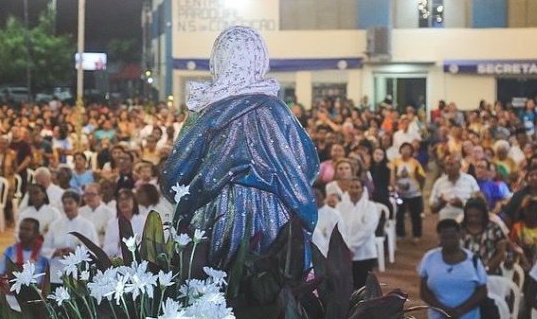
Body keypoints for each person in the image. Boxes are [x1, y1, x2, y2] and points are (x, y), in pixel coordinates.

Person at [161, 26, 319, 267]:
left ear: (218, 60)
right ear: (259, 60)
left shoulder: (205, 113)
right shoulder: (275, 110)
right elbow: (307, 165)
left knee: (213, 295)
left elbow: (175, 175)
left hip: (214, 216)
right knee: (271, 290)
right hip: (275, 217)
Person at [418, 219, 489, 319]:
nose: (449, 240)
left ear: (460, 235)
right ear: (439, 238)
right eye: (445, 237)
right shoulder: (429, 258)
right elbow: (424, 291)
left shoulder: (473, 260)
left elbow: (482, 291)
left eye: (453, 236)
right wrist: (443, 310)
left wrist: (460, 311)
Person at [0, 217, 49, 315]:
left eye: (27, 229)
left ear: (37, 234)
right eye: (21, 229)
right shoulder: (10, 250)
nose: (23, 232)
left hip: (31, 297)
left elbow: (43, 284)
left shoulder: (43, 255)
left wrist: (23, 290)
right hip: (8, 293)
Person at [41, 190, 97, 285]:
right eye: (65, 203)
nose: (67, 206)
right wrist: (55, 252)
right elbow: (44, 249)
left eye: (70, 203)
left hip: (79, 275)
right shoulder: (55, 225)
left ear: (78, 204)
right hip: (56, 274)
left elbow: (95, 251)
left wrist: (76, 252)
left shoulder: (87, 225)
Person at [336, 177, 379, 289]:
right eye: (351, 187)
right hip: (344, 252)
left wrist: (353, 247)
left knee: (362, 287)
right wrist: (346, 247)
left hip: (364, 253)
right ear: (347, 189)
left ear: (362, 189)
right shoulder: (340, 207)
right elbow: (338, 228)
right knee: (346, 286)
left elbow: (368, 229)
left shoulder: (370, 206)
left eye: (357, 187)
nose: (354, 190)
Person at [461, 197, 507, 274]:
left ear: (483, 214)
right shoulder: (459, 230)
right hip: (464, 274)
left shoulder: (494, 228)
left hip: (490, 273)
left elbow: (501, 252)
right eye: (470, 216)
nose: (473, 219)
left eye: (477, 216)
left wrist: (486, 269)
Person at [390, 142, 426, 241]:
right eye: (404, 148)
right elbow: (392, 175)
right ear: (400, 150)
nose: (406, 151)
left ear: (411, 151)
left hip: (414, 193)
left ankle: (416, 235)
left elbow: (422, 176)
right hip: (399, 193)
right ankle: (400, 233)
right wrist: (394, 185)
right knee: (399, 214)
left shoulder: (415, 162)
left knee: (415, 214)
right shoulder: (395, 162)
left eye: (408, 149)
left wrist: (420, 188)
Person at [429, 154, 479, 221]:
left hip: (466, 221)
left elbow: (478, 203)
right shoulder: (439, 183)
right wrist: (441, 203)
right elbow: (432, 208)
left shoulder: (470, 180)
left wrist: (462, 204)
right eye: (447, 164)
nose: (449, 167)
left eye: (452, 164)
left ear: (460, 165)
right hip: (446, 223)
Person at [103, 189, 146, 259]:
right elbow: (106, 250)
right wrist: (118, 243)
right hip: (117, 261)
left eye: (127, 199)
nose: (124, 202)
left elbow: (146, 246)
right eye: (121, 200)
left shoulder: (143, 221)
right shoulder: (111, 223)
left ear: (134, 202)